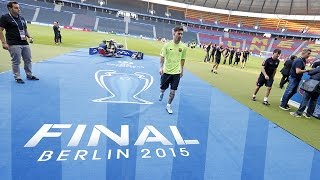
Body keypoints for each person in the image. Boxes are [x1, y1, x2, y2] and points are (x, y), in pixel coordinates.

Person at [0, 1, 39, 84]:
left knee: (28, 59)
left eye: (19, 7)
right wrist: (3, 42)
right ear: (10, 8)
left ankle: (29, 75)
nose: (19, 9)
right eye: (16, 8)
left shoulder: (21, 18)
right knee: (16, 61)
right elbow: (0, 30)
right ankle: (17, 77)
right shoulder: (5, 17)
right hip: (13, 43)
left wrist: (29, 36)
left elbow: (25, 30)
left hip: (24, 42)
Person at [159, 26, 187, 114]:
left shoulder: (183, 47)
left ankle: (168, 105)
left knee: (173, 91)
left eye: (182, 34)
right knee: (163, 88)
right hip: (166, 71)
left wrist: (182, 70)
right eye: (179, 33)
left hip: (176, 73)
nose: (180, 35)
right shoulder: (167, 45)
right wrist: (161, 67)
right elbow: (162, 57)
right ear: (173, 33)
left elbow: (183, 59)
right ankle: (162, 93)